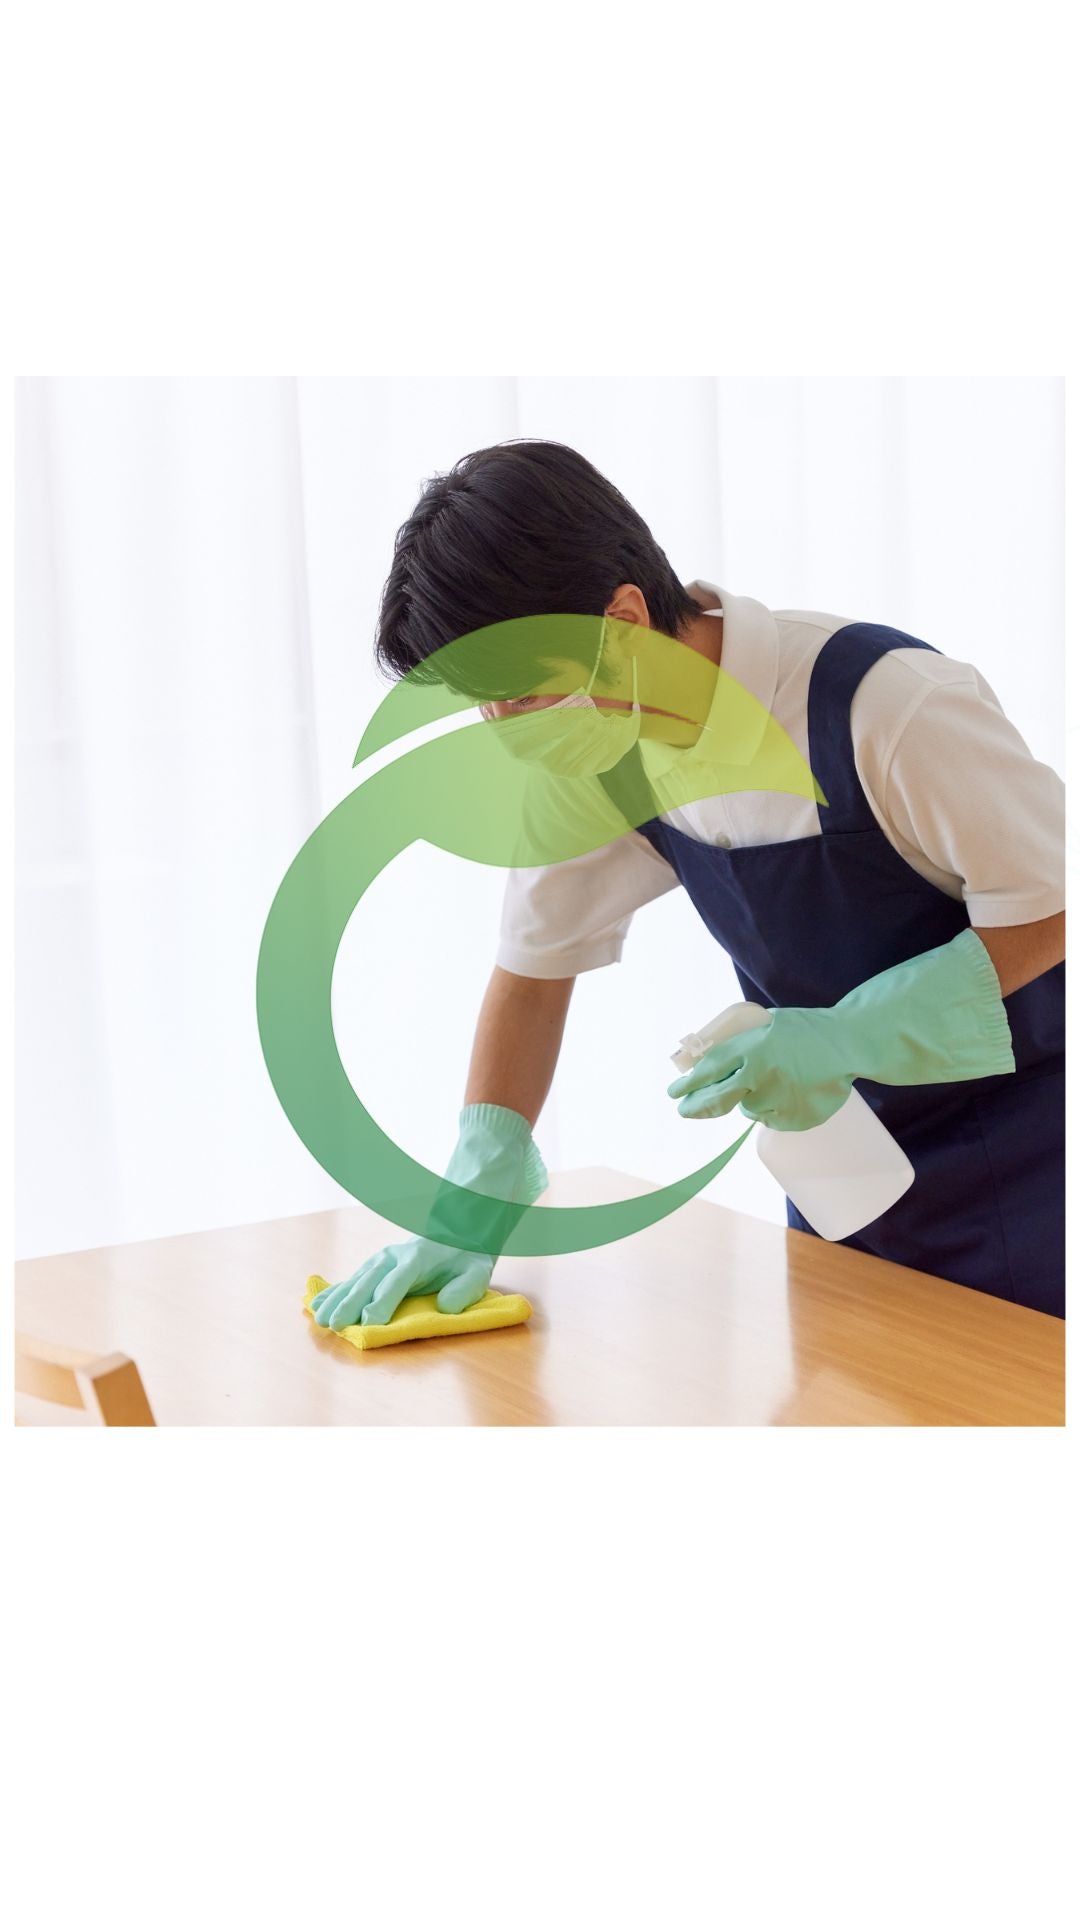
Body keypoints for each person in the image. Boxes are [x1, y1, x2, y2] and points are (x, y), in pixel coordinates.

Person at [310, 439, 1065, 1331]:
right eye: (481, 702)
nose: (503, 728)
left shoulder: (884, 708)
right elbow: (529, 971)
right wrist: (477, 1187)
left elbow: (1053, 904)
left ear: (623, 622)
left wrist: (854, 1032)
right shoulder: (600, 751)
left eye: (516, 694)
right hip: (844, 1175)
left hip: (1036, 1163)